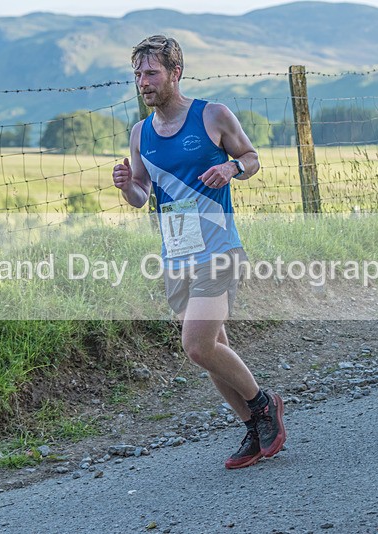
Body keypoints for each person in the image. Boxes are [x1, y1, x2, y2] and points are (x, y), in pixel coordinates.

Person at [112, 35, 286, 469]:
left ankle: (264, 406)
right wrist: (125, 185)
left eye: (151, 72)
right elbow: (141, 195)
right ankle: (253, 429)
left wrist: (231, 167)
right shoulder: (140, 133)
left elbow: (251, 158)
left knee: (196, 345)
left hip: (219, 247)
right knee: (213, 351)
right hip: (177, 253)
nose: (142, 81)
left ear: (175, 73)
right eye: (137, 74)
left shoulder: (212, 115)